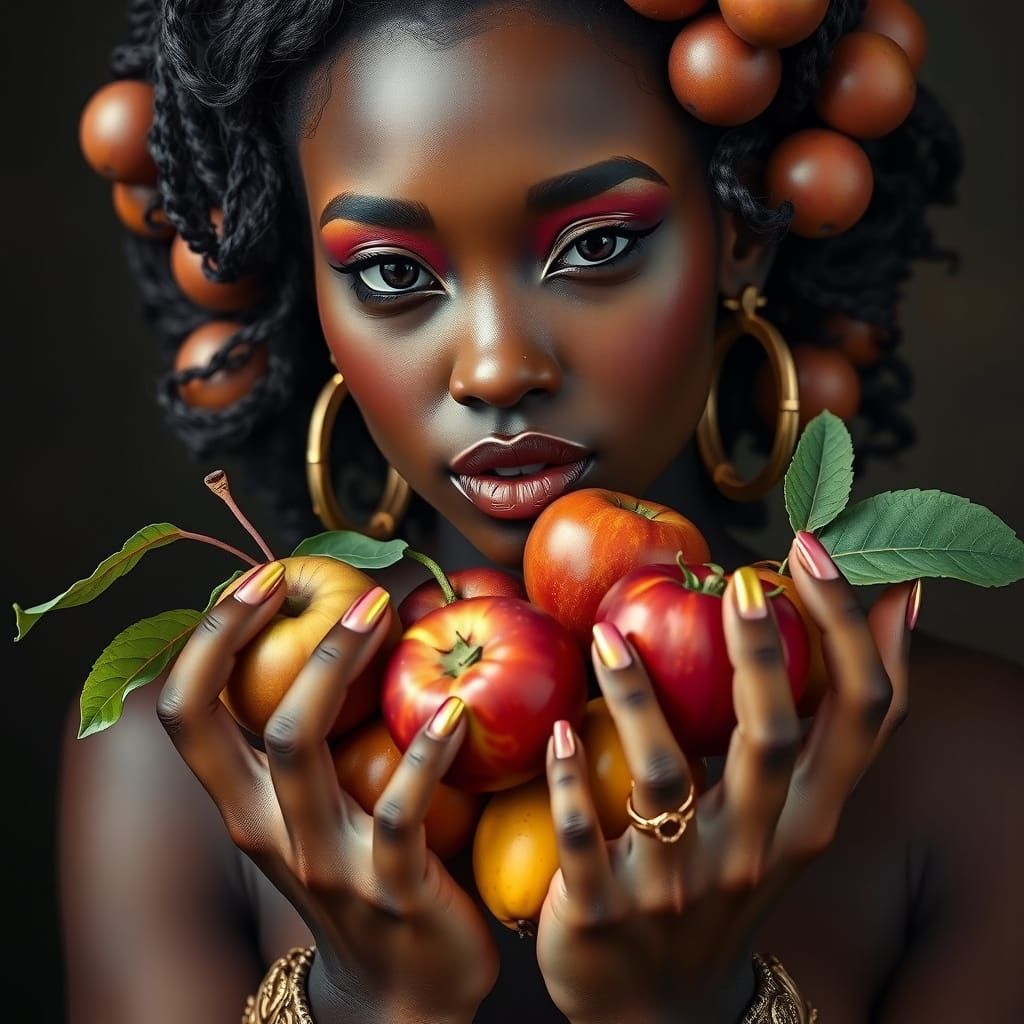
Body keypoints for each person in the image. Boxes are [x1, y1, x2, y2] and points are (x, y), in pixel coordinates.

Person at [58, 1, 1024, 1021]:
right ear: (311, 287)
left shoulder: (972, 773)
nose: (495, 366)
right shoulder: (175, 771)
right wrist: (375, 1001)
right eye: (391, 272)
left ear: (742, 233)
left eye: (596, 246)